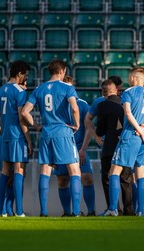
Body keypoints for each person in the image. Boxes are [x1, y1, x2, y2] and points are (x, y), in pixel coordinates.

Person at [101, 67, 144, 216]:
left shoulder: (128, 93)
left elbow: (129, 114)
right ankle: (140, 210)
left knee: (114, 171)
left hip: (131, 136)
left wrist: (140, 130)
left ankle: (112, 209)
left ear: (132, 78)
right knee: (140, 173)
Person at [21, 60, 82, 217]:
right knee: (74, 171)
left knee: (46, 171)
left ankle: (43, 211)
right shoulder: (67, 88)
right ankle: (76, 211)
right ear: (62, 71)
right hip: (63, 132)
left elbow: (24, 112)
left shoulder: (39, 89)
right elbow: (75, 108)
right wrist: (77, 124)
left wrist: (36, 126)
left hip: (47, 133)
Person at [0, 60, 33, 218]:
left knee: (5, 172)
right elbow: (21, 116)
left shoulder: (2, 89)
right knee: (19, 170)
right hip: (17, 136)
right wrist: (29, 139)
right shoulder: (20, 91)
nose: (26, 78)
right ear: (20, 74)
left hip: (5, 136)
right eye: (26, 75)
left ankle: (1, 211)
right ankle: (20, 212)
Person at [53, 76, 96, 216]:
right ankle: (67, 212)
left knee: (87, 178)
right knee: (62, 180)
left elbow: (89, 128)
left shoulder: (82, 105)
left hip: (78, 148)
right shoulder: (56, 106)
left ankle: (90, 211)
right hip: (60, 147)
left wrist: (83, 149)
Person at [96, 79, 134, 215]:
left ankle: (114, 209)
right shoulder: (127, 102)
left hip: (111, 146)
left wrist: (98, 133)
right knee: (126, 179)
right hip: (127, 145)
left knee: (108, 178)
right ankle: (130, 210)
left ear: (103, 92)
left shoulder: (103, 105)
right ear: (116, 90)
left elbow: (100, 130)